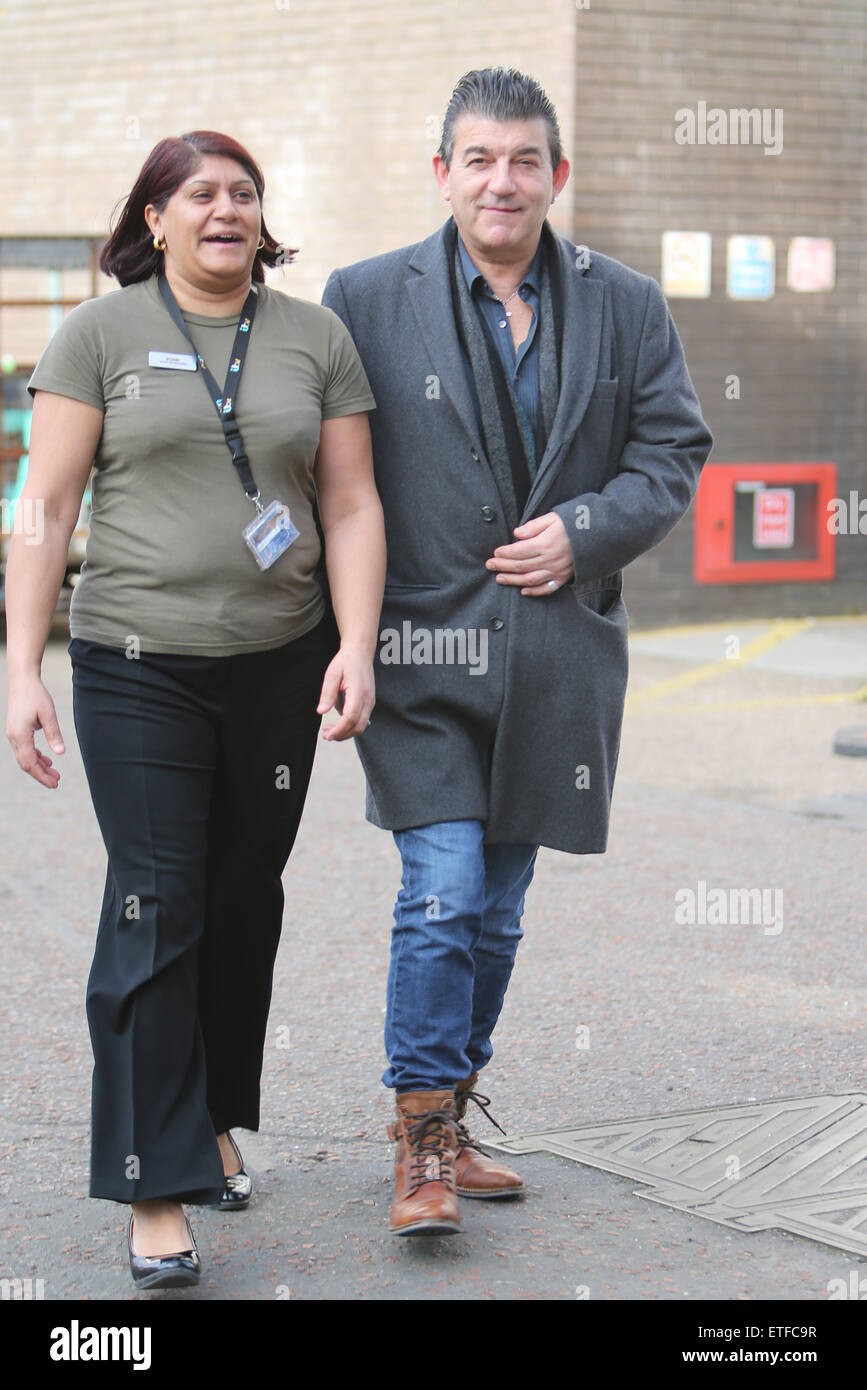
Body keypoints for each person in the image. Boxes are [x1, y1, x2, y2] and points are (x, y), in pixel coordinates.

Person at [323, 67, 713, 1237]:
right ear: (442, 171)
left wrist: (585, 529)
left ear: (557, 174)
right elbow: (329, 472)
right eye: (479, 159)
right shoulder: (362, 296)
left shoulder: (627, 303)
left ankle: (449, 1102)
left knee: (496, 911)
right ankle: (423, 1139)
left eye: (525, 159)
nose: (503, 180)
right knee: (441, 894)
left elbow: (673, 449)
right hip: (418, 651)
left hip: (554, 659)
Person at [5, 130, 385, 1287]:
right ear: (155, 219)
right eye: (199, 193)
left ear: (263, 218)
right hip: (135, 666)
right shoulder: (98, 333)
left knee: (240, 895)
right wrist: (22, 663)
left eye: (243, 192)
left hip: (277, 663)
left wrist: (356, 647)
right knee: (155, 900)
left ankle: (212, 1113)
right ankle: (152, 1177)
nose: (226, 208)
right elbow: (48, 502)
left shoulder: (314, 335)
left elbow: (353, 503)